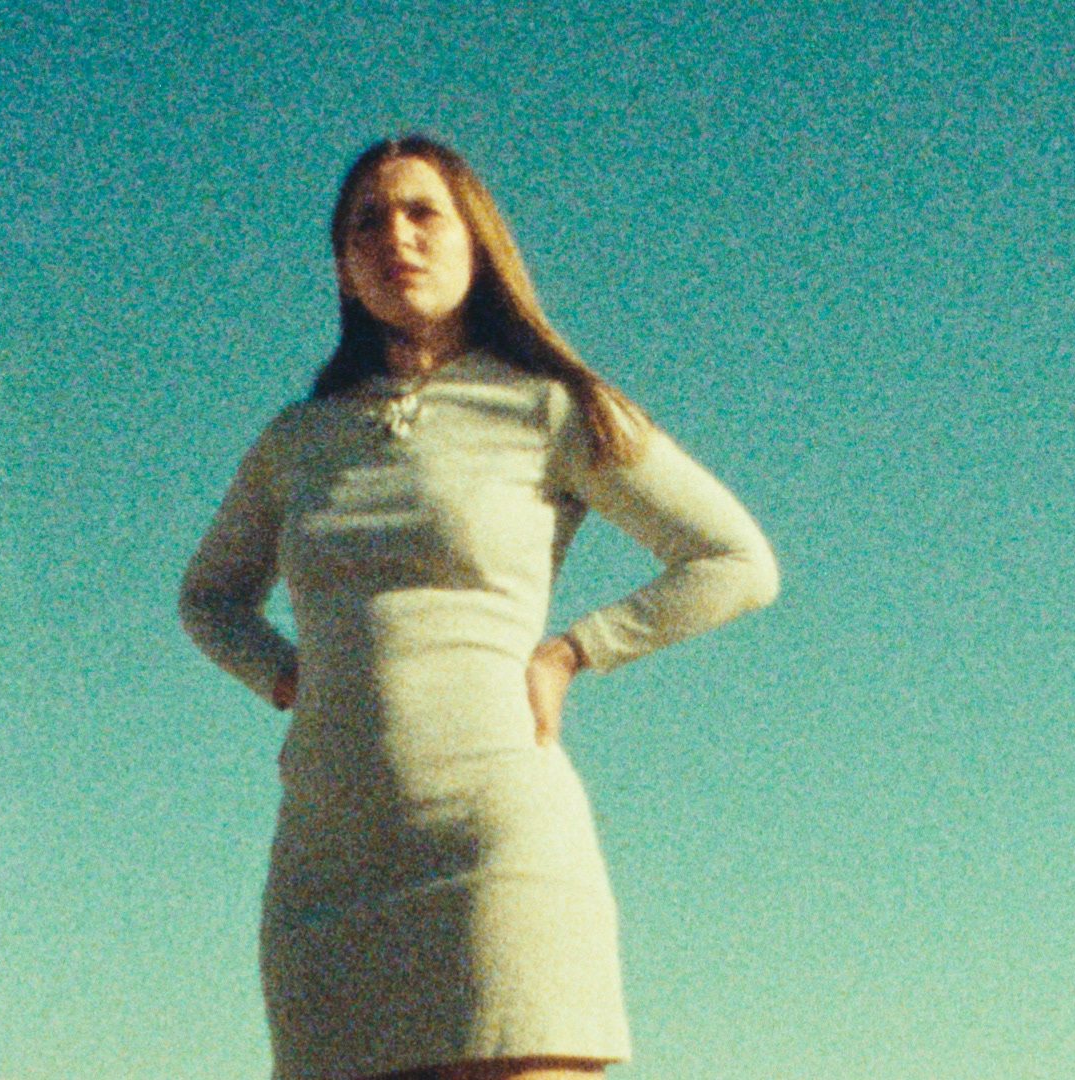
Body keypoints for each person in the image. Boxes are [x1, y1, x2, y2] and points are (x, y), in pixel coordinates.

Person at [178, 134, 778, 1080]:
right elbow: (208, 597)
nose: (395, 236)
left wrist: (575, 651)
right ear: (342, 267)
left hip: (497, 842)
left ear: (477, 242)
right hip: (325, 867)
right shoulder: (296, 440)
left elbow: (736, 560)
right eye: (366, 222)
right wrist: (285, 672)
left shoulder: (551, 407)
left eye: (423, 212)